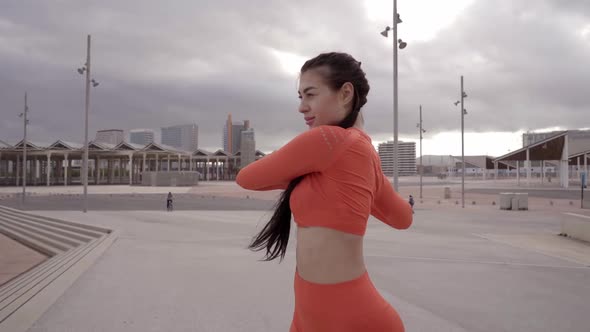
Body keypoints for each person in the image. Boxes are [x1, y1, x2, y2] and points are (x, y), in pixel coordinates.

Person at [236, 52, 413, 331]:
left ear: (345, 93)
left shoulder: (327, 140)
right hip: (311, 313)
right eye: (300, 97)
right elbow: (402, 217)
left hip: (350, 317)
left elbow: (247, 177)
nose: (302, 107)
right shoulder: (366, 154)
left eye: (310, 94)